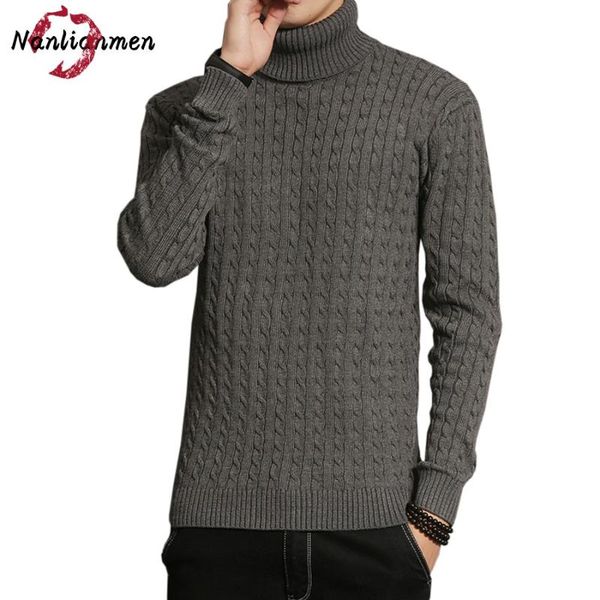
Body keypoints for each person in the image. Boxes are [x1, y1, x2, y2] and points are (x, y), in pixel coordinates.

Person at [116, 0, 502, 598]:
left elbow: (468, 312)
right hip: (218, 529)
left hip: (377, 529)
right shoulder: (189, 108)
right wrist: (228, 80)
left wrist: (435, 508)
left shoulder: (434, 104)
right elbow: (154, 258)